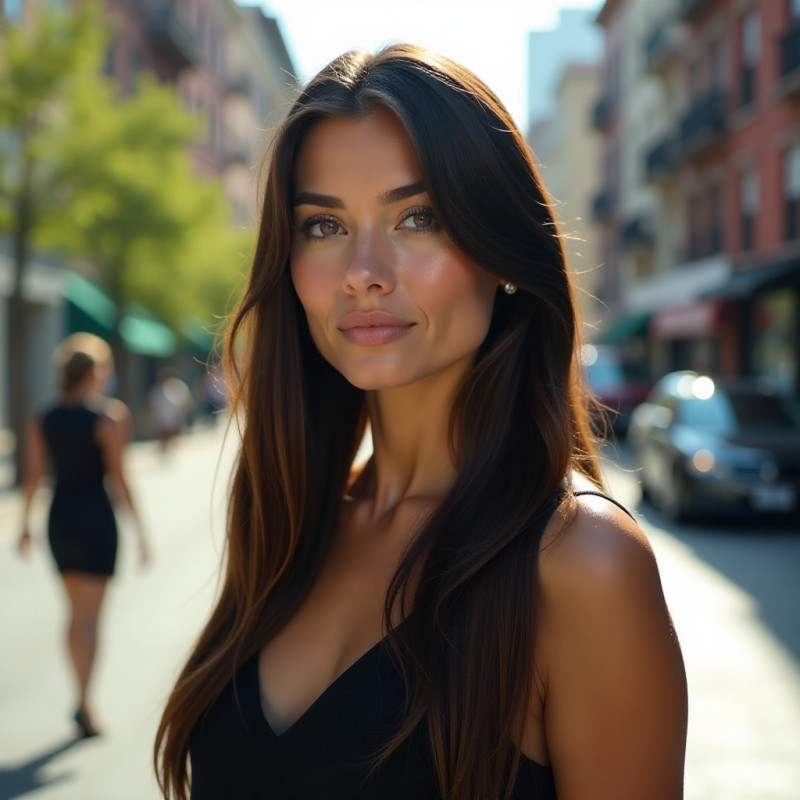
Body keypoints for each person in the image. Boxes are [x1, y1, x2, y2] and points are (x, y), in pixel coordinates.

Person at [155, 45, 687, 800]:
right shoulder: (294, 519)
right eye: (323, 226)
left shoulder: (581, 563)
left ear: (500, 249)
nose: (363, 271)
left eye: (418, 216)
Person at [18, 332, 151, 738]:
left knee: (74, 614)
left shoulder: (43, 418)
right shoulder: (109, 418)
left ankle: (80, 698)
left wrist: (24, 525)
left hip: (60, 519)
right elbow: (119, 478)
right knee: (90, 618)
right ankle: (83, 702)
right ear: (94, 372)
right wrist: (141, 531)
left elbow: (34, 477)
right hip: (95, 518)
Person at [148, 367, 194, 452]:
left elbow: (186, 402)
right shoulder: (156, 390)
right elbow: (152, 405)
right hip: (160, 420)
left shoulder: (179, 387)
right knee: (163, 439)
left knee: (171, 440)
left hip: (174, 419)